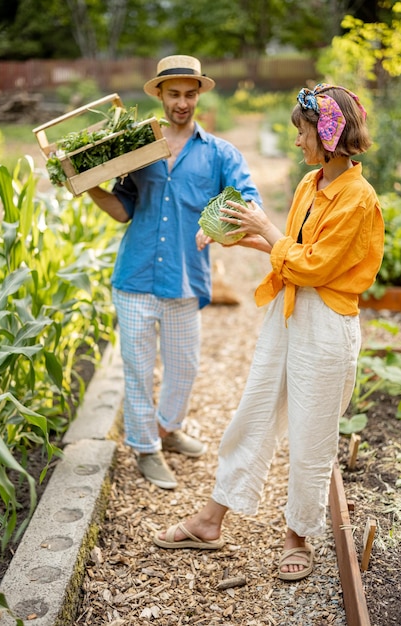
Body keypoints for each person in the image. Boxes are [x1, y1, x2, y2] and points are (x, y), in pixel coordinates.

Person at [153, 83, 384, 581]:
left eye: (302, 132)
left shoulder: (359, 199)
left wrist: (266, 226)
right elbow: (292, 256)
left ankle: (297, 534)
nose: (296, 140)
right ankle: (212, 519)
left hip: (326, 323)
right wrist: (240, 237)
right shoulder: (310, 184)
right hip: (290, 309)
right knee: (253, 410)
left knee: (311, 435)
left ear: (328, 136)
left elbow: (316, 266)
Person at [87, 55, 262, 490]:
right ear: (160, 96)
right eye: (173, 94)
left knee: (184, 366)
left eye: (189, 94)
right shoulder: (138, 148)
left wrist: (216, 225)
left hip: (186, 278)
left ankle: (168, 427)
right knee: (138, 368)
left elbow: (247, 199)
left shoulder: (220, 153)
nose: (181, 103)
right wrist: (88, 185)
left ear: (198, 94)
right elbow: (123, 210)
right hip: (135, 276)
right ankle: (145, 448)